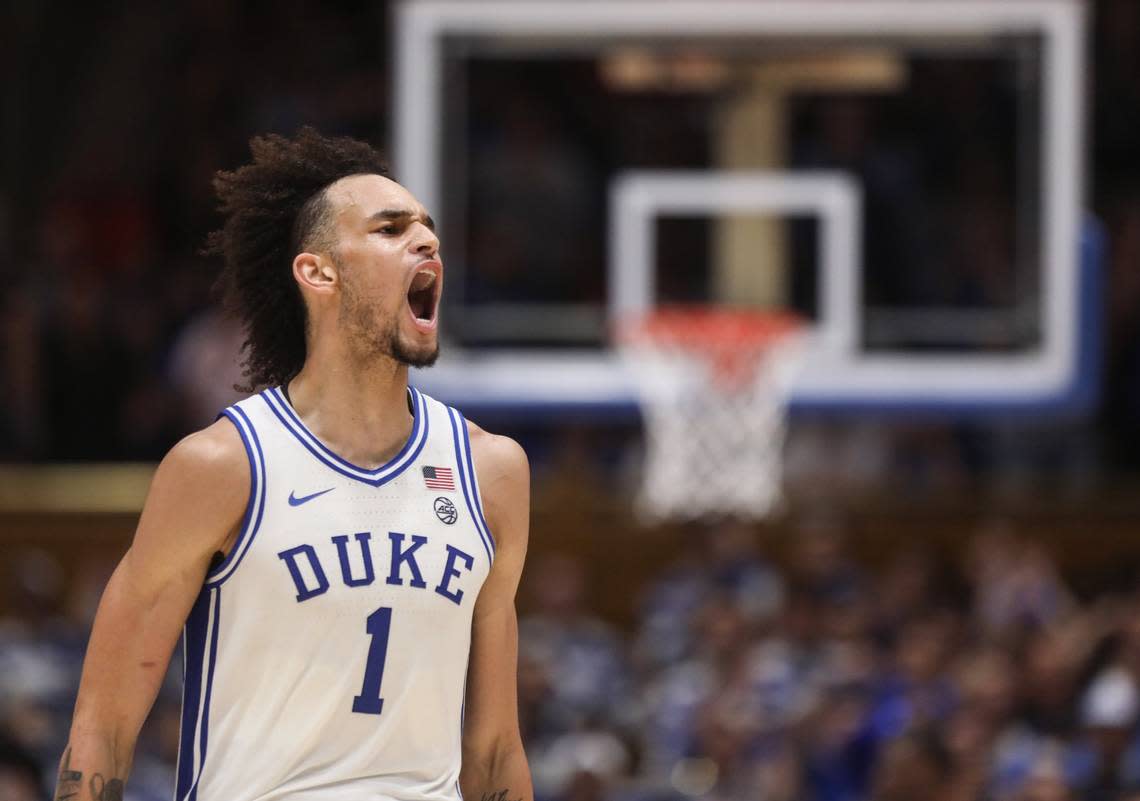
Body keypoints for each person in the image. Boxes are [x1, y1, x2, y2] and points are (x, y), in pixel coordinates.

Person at [54, 128, 534, 801]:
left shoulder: (491, 472)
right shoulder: (223, 465)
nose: (426, 242)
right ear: (318, 271)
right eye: (391, 229)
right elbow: (103, 726)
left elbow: (492, 750)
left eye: (427, 228)